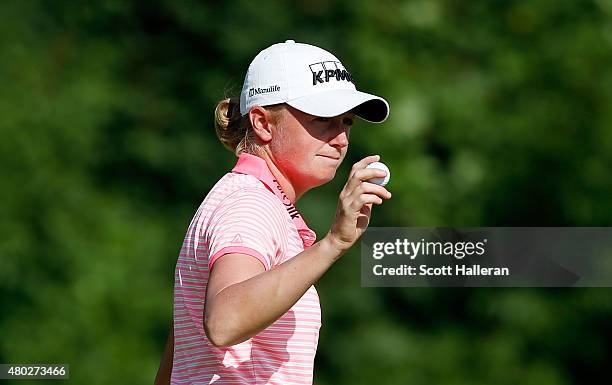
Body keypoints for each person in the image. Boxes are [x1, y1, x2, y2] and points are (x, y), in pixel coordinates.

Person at [155, 40, 391, 385]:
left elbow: (183, 351)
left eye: (346, 121)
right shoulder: (250, 202)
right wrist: (332, 244)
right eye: (323, 119)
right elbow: (224, 321)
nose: (341, 138)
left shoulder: (254, 198)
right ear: (263, 123)